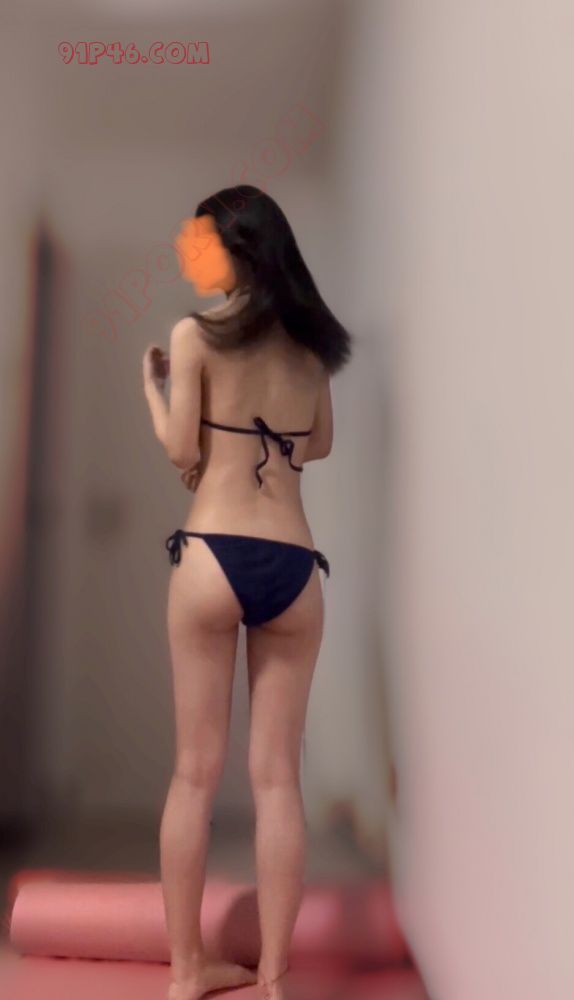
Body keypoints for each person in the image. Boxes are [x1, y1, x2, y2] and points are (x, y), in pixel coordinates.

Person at [142, 185, 352, 1000]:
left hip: (212, 554)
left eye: (203, 242)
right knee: (277, 781)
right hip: (293, 563)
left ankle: (187, 970)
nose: (194, 253)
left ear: (237, 250)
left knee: (194, 776)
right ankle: (272, 977)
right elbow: (319, 443)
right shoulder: (312, 346)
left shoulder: (193, 336)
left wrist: (154, 388)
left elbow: (179, 450)